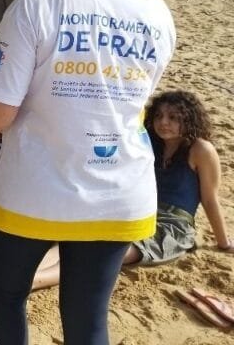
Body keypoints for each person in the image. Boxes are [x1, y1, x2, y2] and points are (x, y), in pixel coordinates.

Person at [0, 0, 176, 345]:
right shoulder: (156, 12)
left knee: (5, 296)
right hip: (119, 194)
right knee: (87, 321)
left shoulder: (36, 7)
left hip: (35, 190)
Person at [32, 91, 231, 290]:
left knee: (102, 255)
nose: (164, 122)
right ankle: (14, 276)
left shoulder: (201, 150)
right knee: (73, 242)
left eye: (173, 117)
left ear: (189, 119)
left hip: (171, 225)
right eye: (158, 116)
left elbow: (210, 199)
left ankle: (31, 282)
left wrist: (223, 243)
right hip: (138, 212)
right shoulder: (148, 143)